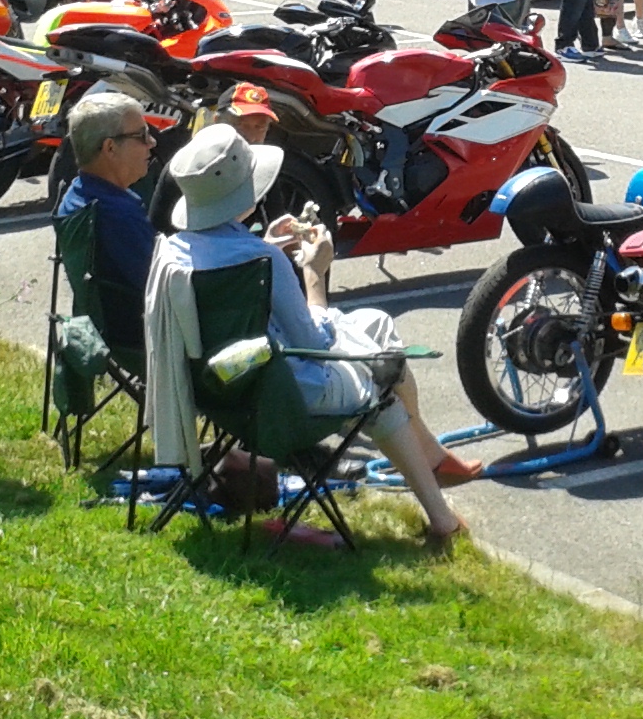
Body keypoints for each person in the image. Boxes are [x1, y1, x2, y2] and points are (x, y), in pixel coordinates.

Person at [144, 125, 475, 553]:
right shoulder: (261, 261)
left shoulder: (174, 253)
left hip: (218, 390)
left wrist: (264, 246)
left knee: (375, 324)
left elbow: (230, 284)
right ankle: (441, 516)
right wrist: (314, 273)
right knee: (382, 378)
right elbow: (315, 346)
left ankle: (431, 459)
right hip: (279, 396)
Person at [56, 91, 156, 372]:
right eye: (142, 135)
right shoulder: (116, 213)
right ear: (110, 148)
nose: (152, 142)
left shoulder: (76, 196)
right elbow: (162, 286)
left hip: (102, 330)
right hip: (146, 342)